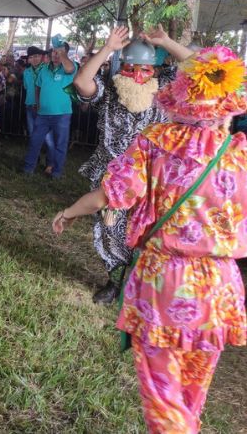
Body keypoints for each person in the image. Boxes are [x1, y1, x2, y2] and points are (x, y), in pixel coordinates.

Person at [52, 46, 247, 434]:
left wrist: (69, 211)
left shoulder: (154, 142)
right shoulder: (239, 155)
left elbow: (109, 196)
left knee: (163, 398)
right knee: (192, 394)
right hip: (218, 288)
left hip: (164, 284)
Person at [73, 25, 188, 304]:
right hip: (111, 176)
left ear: (156, 71)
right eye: (131, 68)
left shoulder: (166, 88)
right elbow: (81, 82)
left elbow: (201, 68)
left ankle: (145, 286)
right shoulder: (110, 90)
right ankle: (115, 281)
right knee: (111, 230)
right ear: (122, 67)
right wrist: (108, 49)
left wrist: (168, 42)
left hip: (155, 177)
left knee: (151, 231)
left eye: (146, 69)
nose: (138, 75)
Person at [23, 37, 78, 179]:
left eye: (59, 51)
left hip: (62, 114)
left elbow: (70, 68)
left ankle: (57, 172)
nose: (56, 54)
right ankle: (28, 169)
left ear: (66, 53)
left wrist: (62, 53)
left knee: (60, 144)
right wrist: (37, 103)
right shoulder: (44, 69)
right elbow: (38, 86)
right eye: (54, 51)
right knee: (35, 141)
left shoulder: (70, 67)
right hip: (42, 114)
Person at [23, 46, 55, 172]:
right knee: (33, 136)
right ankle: (33, 161)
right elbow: (26, 87)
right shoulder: (26, 72)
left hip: (45, 109)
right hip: (30, 107)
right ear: (29, 60)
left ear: (42, 57)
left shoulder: (48, 69)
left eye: (36, 56)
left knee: (48, 138)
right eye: (31, 57)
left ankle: (50, 164)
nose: (34, 59)